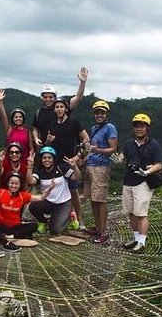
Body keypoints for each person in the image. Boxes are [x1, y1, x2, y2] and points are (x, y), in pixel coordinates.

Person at [120, 113, 162, 252]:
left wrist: (148, 172)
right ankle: (136, 238)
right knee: (131, 212)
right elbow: (123, 156)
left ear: (147, 128)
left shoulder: (153, 145)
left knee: (141, 213)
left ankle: (142, 242)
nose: (139, 129)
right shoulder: (128, 144)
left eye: (142, 126)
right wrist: (118, 159)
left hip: (143, 183)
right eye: (137, 126)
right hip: (128, 181)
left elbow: (159, 164)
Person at [45, 96, 89, 230]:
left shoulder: (74, 123)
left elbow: (86, 139)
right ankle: (60, 218)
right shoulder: (52, 125)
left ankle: (79, 219)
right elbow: (47, 145)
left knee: (73, 190)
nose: (59, 109)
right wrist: (48, 140)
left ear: (66, 109)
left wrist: (78, 156)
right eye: (57, 107)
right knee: (57, 190)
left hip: (69, 163)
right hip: (55, 163)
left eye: (61, 107)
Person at [82, 100, 118, 244]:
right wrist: (87, 157)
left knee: (100, 200)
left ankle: (103, 232)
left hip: (101, 167)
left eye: (102, 112)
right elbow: (92, 149)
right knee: (93, 199)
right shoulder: (94, 128)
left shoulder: (110, 128)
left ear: (106, 114)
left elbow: (113, 149)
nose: (99, 115)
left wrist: (98, 151)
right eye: (97, 112)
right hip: (91, 165)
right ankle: (97, 228)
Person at [30, 146, 82, 235]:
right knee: (33, 206)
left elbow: (77, 177)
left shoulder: (61, 169)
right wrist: (29, 167)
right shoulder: (40, 172)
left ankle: (70, 217)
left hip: (63, 203)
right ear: (41, 159)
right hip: (48, 201)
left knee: (55, 230)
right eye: (44, 158)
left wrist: (74, 167)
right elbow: (30, 181)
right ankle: (43, 221)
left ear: (53, 159)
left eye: (49, 158)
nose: (47, 160)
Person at [32, 67, 88, 147]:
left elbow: (78, 98)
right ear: (42, 98)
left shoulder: (61, 108)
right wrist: (36, 138)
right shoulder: (39, 112)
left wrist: (82, 83)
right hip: (47, 151)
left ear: (55, 97)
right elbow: (35, 128)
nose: (48, 99)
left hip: (65, 149)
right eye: (45, 97)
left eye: (51, 97)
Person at [0, 172, 55, 239]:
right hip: (2, 225)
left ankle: (12, 236)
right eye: (12, 183)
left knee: (34, 225)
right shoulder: (1, 192)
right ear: (8, 183)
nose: (14, 186)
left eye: (16, 184)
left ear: (20, 185)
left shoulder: (22, 195)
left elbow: (40, 198)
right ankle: (19, 235)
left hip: (15, 226)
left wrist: (49, 189)